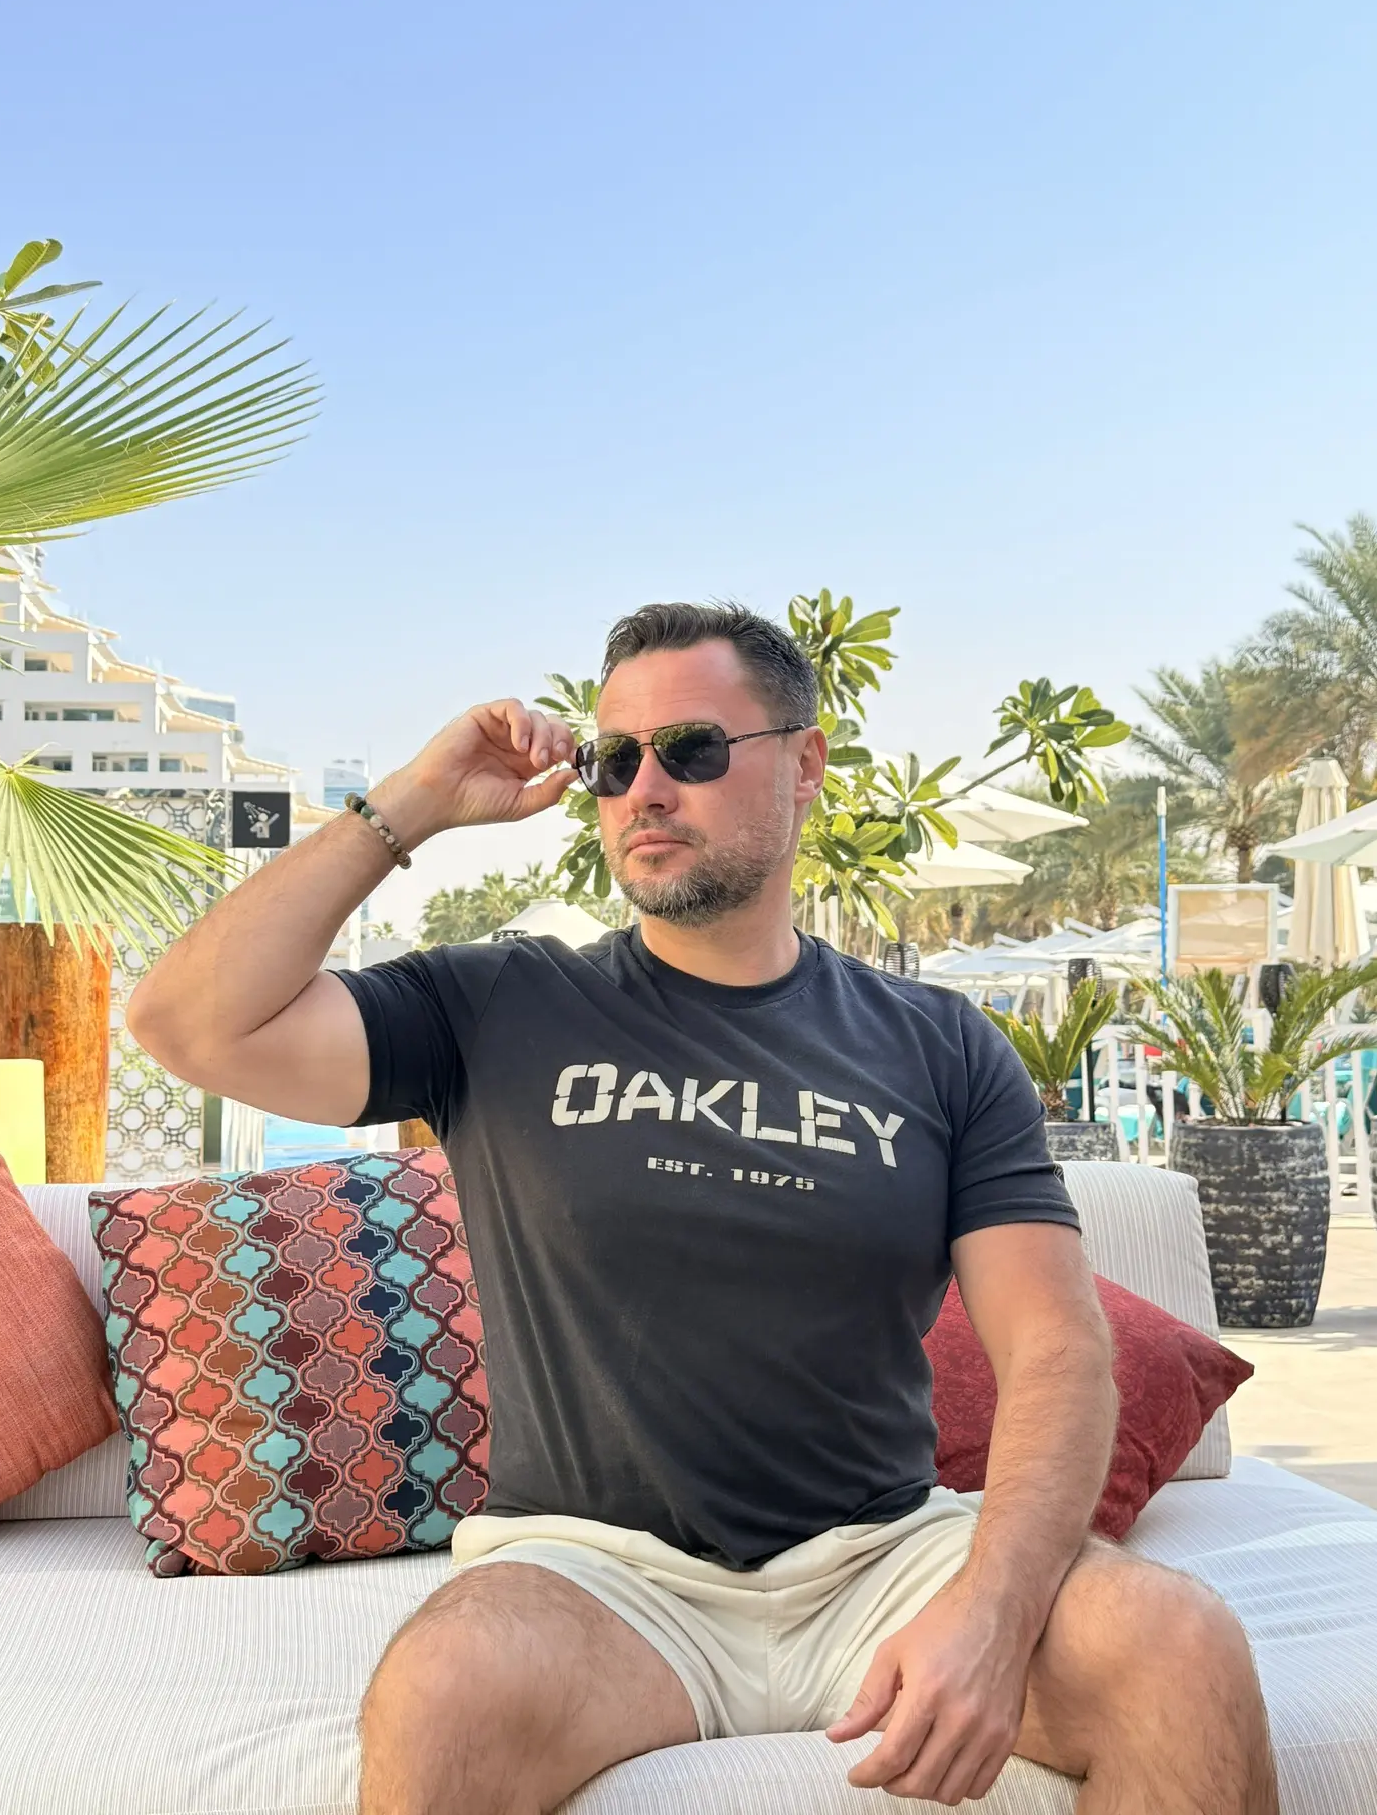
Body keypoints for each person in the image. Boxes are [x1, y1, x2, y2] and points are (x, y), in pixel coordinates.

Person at [127, 602, 1277, 1815]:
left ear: (805, 764)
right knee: (443, 1688)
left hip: (882, 1558)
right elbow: (187, 1023)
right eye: (614, 760)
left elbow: (1055, 1348)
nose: (645, 790)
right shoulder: (499, 1006)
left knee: (1178, 1647)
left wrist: (994, 1616)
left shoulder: (939, 1045)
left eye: (691, 749)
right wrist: (412, 802)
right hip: (598, 1578)